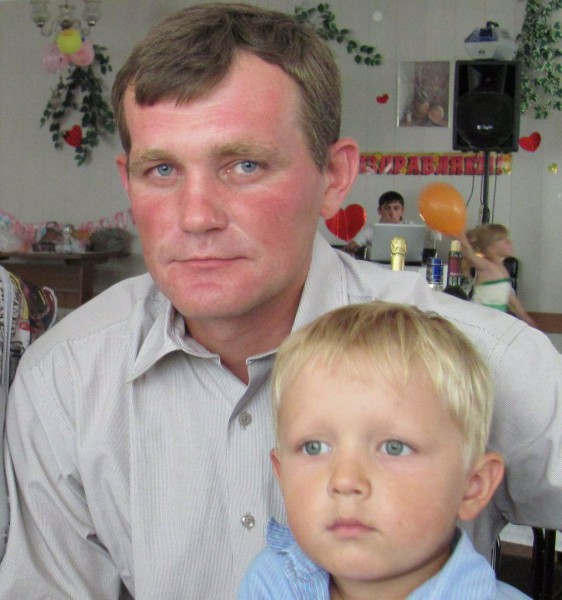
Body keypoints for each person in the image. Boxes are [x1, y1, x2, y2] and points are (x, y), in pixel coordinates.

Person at [0, 3, 560, 598]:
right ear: (128, 181)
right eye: (161, 170)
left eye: (244, 165)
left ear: (334, 177)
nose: (196, 216)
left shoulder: (484, 358)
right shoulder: (67, 379)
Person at [238, 302, 529, 599]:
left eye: (394, 447)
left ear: (472, 485)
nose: (345, 480)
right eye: (314, 447)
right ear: (282, 475)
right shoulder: (271, 583)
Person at [458, 224, 536, 327]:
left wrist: (523, 315)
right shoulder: (486, 266)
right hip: (480, 316)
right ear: (492, 248)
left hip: (497, 317)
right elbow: (470, 255)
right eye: (504, 239)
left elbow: (509, 296)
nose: (510, 242)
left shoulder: (503, 270)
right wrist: (462, 237)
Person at [343, 190, 405, 255]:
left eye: (396, 208)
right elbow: (352, 245)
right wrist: (351, 248)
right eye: (387, 208)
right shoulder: (371, 230)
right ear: (379, 211)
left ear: (402, 210)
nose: (392, 212)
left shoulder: (411, 228)